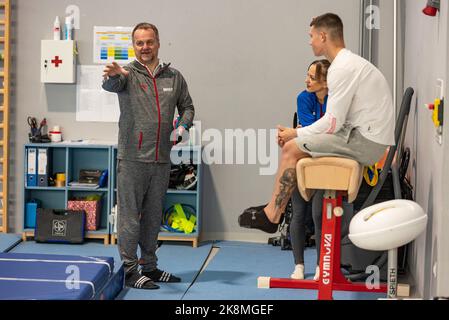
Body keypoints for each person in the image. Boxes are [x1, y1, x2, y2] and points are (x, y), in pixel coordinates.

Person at [239, 12, 394, 258]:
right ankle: (274, 212)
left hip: (366, 142)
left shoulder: (341, 69)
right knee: (297, 146)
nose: (309, 41)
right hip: (365, 136)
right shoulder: (348, 64)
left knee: (291, 148)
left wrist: (294, 132)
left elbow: (331, 123)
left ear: (323, 36)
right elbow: (337, 122)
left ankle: (272, 215)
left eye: (311, 36)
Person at [102, 22, 195, 290]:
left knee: (153, 216)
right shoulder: (127, 74)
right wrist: (111, 76)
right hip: (132, 158)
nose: (145, 47)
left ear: (157, 42)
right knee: (130, 217)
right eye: (140, 43)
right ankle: (130, 270)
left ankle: (150, 267)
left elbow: (187, 106)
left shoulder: (173, 76)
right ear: (134, 45)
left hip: (161, 159)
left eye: (149, 42)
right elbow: (112, 84)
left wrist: (183, 126)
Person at [289, 59, 330, 280]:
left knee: (318, 214)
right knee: (299, 213)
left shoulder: (336, 100)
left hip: (325, 163)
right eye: (307, 75)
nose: (307, 80)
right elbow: (311, 133)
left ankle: (320, 266)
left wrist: (306, 131)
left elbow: (315, 131)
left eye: (312, 77)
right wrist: (307, 132)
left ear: (325, 82)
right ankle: (298, 265)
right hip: (304, 159)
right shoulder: (303, 98)